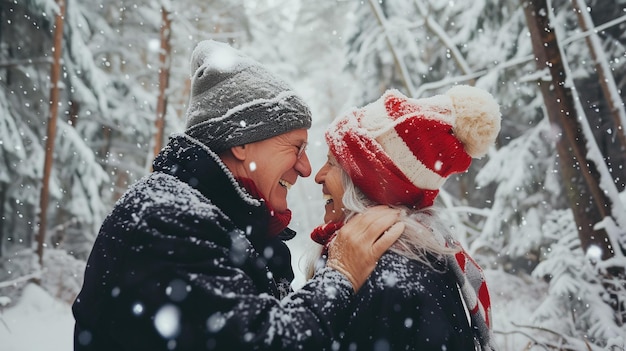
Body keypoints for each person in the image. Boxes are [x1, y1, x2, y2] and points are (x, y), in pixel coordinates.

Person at [72, 40, 404, 351]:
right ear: (242, 144)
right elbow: (262, 341)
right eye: (296, 148)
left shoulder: (229, 225)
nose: (305, 169)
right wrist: (341, 275)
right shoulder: (166, 218)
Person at [308, 86, 501, 350]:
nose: (318, 175)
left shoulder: (388, 278)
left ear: (367, 185)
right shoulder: (410, 264)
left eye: (332, 163)